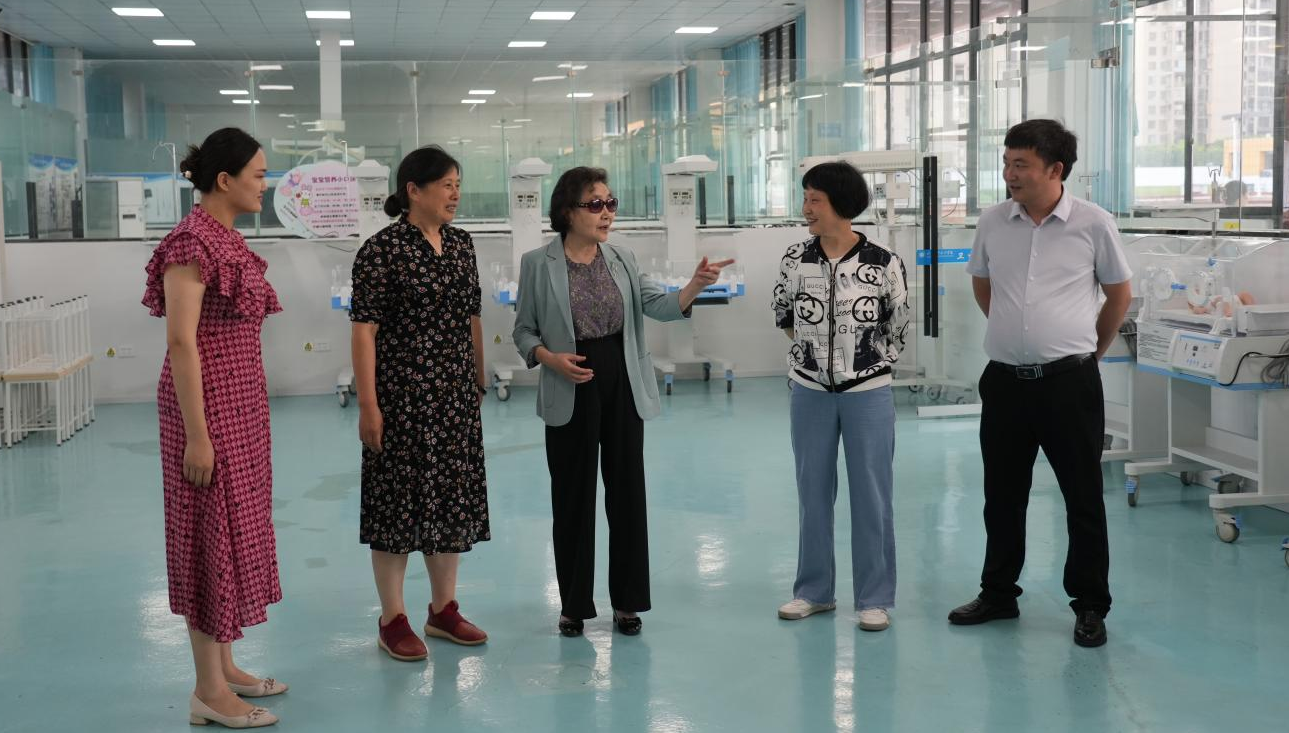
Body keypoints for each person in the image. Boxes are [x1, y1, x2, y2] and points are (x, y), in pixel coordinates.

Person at [513, 166, 733, 637]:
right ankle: (574, 604)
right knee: (572, 498)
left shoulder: (622, 258)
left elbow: (660, 305)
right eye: (595, 204)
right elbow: (524, 331)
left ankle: (627, 602)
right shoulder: (537, 263)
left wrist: (694, 285)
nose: (607, 213)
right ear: (567, 211)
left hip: (622, 377)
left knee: (628, 494)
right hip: (569, 379)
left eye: (611, 203)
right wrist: (549, 358)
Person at [948, 119, 1132, 648]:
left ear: (1055, 169)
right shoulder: (993, 222)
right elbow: (984, 286)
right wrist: (1017, 336)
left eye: (1021, 164)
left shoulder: (1093, 223)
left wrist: (1087, 353)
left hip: (1068, 383)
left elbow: (1118, 295)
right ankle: (998, 593)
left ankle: (1090, 604)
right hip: (1005, 382)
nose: (1010, 173)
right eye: (1007, 163)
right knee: (1002, 495)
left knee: (1082, 496)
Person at [142, 128, 285, 728]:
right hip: (205, 411)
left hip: (240, 407)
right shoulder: (191, 243)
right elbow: (181, 341)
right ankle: (207, 691)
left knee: (233, 532)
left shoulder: (226, 238)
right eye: (258, 174)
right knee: (208, 536)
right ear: (225, 180)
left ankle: (225, 666)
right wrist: (197, 436)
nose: (265, 184)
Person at [350, 146, 490, 662]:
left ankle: (443, 609)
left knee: (450, 500)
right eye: (446, 184)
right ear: (413, 190)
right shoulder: (381, 250)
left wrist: (478, 379)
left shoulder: (461, 245)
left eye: (458, 184)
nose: (456, 193)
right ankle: (392, 618)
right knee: (396, 504)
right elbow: (364, 331)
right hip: (401, 399)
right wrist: (369, 405)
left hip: (454, 397)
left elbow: (472, 317)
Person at [771, 161, 910, 632]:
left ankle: (875, 597)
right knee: (812, 492)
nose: (806, 208)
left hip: (868, 393)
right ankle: (813, 592)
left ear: (842, 205)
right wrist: (812, 358)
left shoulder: (884, 263)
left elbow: (897, 327)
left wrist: (864, 366)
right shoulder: (795, 259)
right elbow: (784, 314)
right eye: (805, 197)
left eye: (815, 199)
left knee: (872, 495)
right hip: (809, 392)